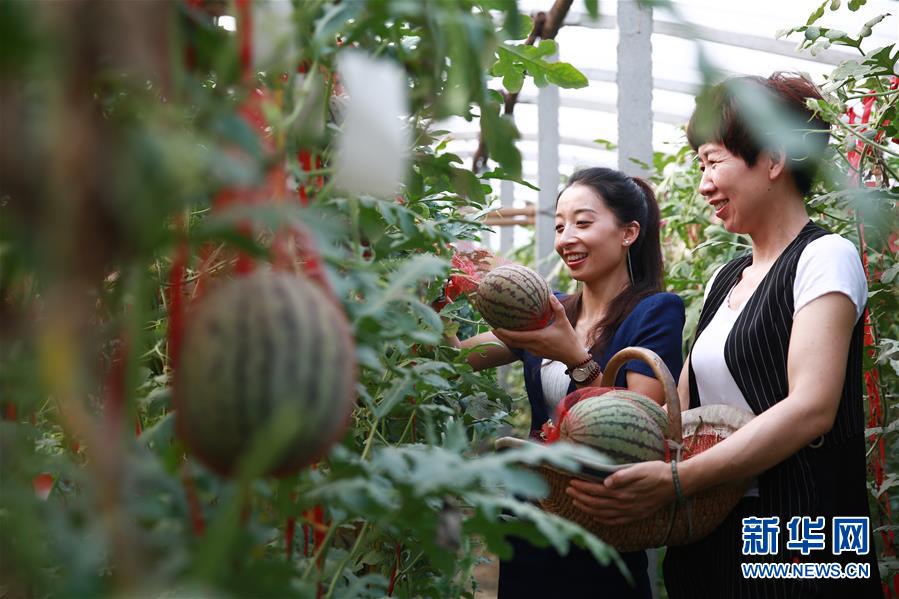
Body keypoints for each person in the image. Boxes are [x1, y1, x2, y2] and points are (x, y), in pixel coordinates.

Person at [565, 73, 883, 598]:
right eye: (701, 166)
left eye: (713, 162)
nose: (704, 184)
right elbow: (680, 407)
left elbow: (811, 408)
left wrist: (677, 480)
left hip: (797, 538)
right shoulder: (726, 278)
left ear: (774, 159)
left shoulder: (824, 257)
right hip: (711, 534)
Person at [454, 167, 685, 598]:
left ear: (629, 232)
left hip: (598, 525)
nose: (565, 239)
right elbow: (457, 358)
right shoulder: (550, 311)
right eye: (560, 226)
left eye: (582, 222)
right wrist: (435, 293)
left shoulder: (655, 312)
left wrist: (575, 358)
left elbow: (638, 433)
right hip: (531, 518)